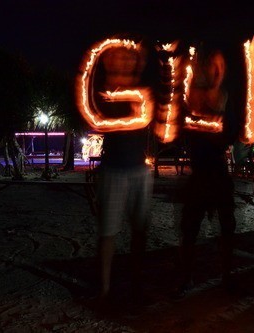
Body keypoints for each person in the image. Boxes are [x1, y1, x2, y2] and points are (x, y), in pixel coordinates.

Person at [175, 45, 239, 298]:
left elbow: (231, 134)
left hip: (219, 175)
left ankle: (226, 276)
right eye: (207, 66)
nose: (211, 71)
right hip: (200, 175)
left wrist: (216, 126)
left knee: (226, 229)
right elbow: (183, 130)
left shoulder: (223, 98)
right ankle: (187, 277)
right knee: (190, 230)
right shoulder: (190, 98)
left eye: (216, 67)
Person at [93, 40, 154, 301]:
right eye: (119, 57)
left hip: (139, 170)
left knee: (140, 231)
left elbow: (147, 117)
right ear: (109, 61)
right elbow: (100, 122)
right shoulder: (103, 92)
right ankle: (105, 288)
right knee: (108, 233)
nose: (124, 62)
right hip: (113, 170)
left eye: (129, 58)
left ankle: (138, 283)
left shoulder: (142, 92)